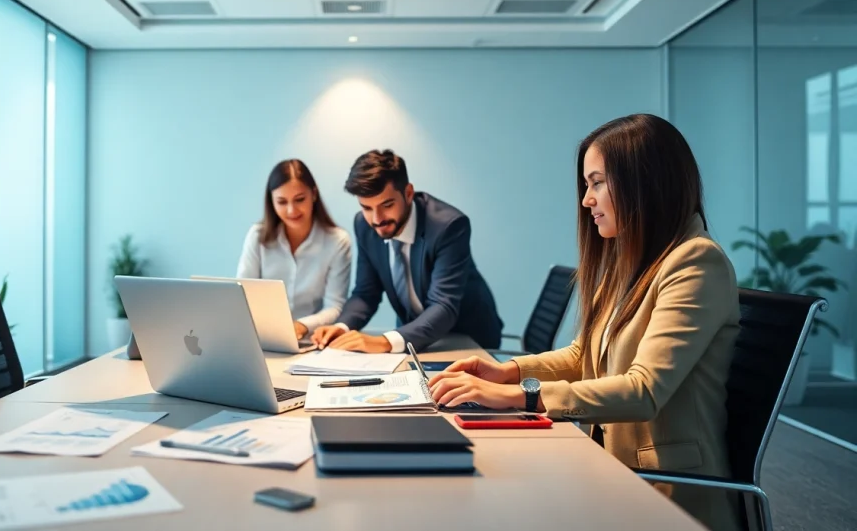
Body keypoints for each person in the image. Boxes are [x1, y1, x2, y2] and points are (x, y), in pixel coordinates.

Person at [428, 114, 741, 531]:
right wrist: (509, 372)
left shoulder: (696, 262)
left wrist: (519, 397)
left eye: (596, 183)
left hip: (665, 493)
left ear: (644, 183)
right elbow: (583, 354)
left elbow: (644, 390)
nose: (586, 201)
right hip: (605, 467)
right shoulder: (629, 259)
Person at [310, 150, 503, 353]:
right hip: (413, 340)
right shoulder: (364, 225)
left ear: (408, 193)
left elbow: (443, 306)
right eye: (367, 207)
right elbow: (366, 293)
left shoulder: (449, 227)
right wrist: (342, 327)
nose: (377, 219)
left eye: (387, 204)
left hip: (467, 340)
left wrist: (384, 342)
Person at [236, 159, 352, 339]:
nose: (291, 210)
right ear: (271, 202)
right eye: (282, 202)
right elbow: (242, 293)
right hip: (261, 338)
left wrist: (301, 326)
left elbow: (335, 307)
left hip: (312, 340)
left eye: (299, 199)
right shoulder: (257, 236)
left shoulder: (337, 241)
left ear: (313, 194)